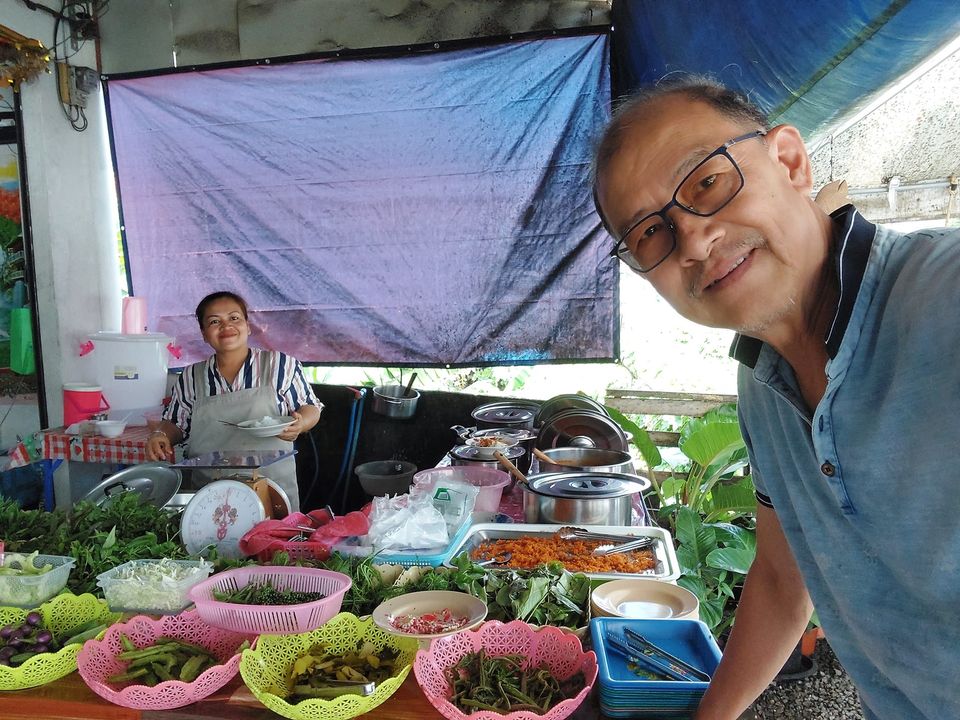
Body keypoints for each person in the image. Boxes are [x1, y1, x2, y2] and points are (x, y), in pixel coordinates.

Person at [592, 77, 960, 720]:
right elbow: (782, 577)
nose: (695, 242)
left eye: (707, 182)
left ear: (789, 161)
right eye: (651, 233)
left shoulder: (944, 296)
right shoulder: (761, 384)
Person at [146, 291, 322, 513]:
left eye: (234, 318)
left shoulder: (280, 365)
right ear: (204, 333)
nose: (226, 326)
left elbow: (310, 407)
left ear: (247, 326)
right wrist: (160, 435)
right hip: (208, 492)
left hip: (270, 489)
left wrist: (301, 423)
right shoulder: (191, 376)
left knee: (271, 536)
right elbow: (176, 423)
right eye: (214, 321)